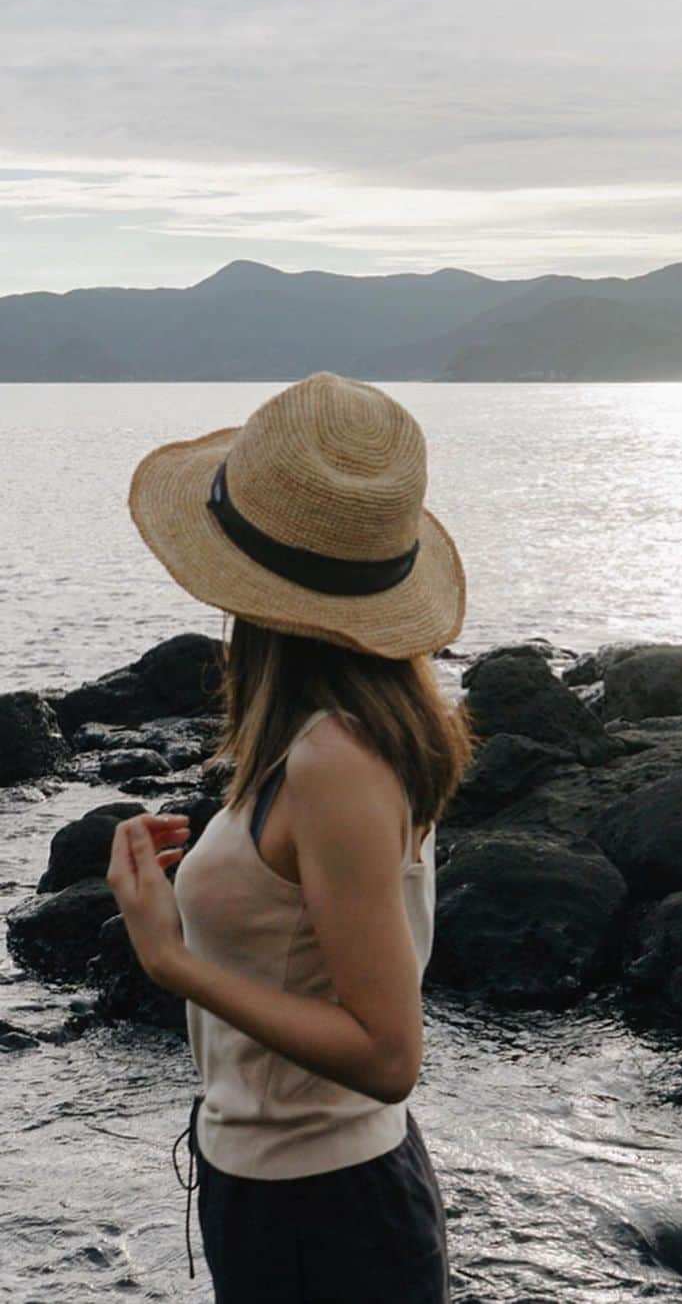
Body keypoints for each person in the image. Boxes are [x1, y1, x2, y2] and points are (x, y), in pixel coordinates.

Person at [104, 371, 472, 1302]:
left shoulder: (335, 759)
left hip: (327, 1219)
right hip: (283, 1196)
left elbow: (389, 1057)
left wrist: (172, 958)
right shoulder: (315, 736)